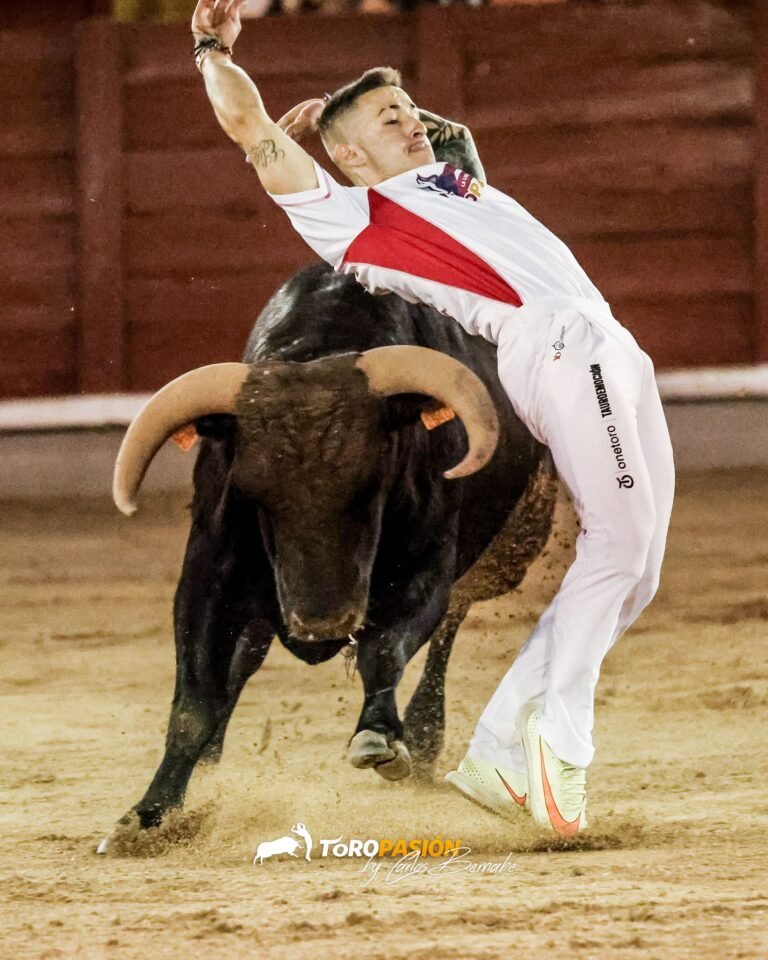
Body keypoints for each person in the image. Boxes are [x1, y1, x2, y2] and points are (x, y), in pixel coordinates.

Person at [191, 0, 675, 836]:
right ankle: (552, 753)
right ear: (345, 156)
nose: (413, 127)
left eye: (412, 114)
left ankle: (497, 752)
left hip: (608, 344)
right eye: (391, 120)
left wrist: (378, 102)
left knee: (641, 568)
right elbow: (251, 129)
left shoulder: (453, 180)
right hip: (555, 346)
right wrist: (211, 49)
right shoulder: (353, 220)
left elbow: (447, 137)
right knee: (617, 546)